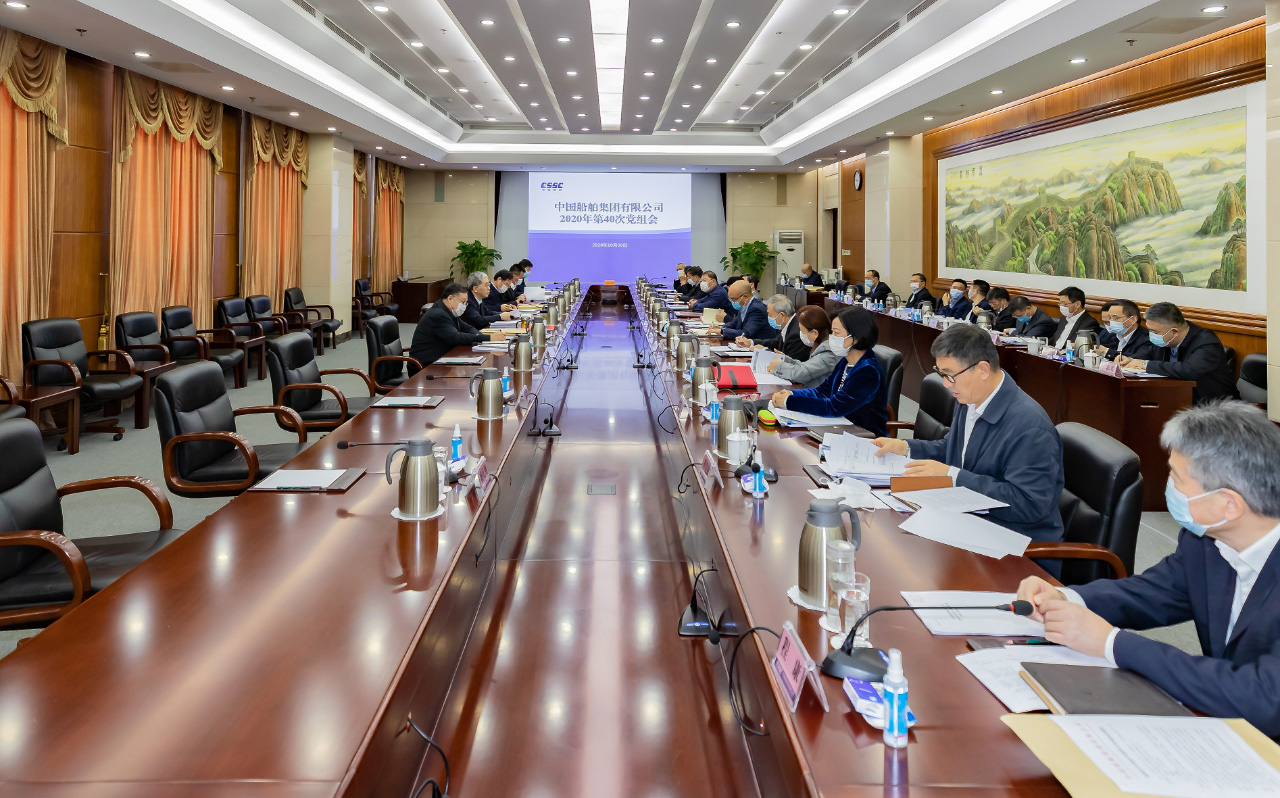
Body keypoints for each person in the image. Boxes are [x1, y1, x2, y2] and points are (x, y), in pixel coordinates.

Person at [1016, 400, 1280, 737]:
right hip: (1226, 721)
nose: (1168, 487)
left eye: (1177, 478)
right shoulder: (1205, 542)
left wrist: (1111, 643)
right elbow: (1152, 593)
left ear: (1229, 504)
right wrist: (1065, 598)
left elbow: (1265, 698)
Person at [872, 324, 1065, 548]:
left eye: (950, 375)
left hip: (1016, 541)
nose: (946, 384)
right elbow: (955, 449)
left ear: (982, 369)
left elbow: (1028, 504)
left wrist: (954, 476)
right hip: (968, 518)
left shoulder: (1030, 428)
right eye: (942, 374)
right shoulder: (970, 399)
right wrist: (906, 448)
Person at [770, 306, 888, 437]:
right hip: (840, 428)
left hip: (865, 437)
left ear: (855, 337)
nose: (832, 337)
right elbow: (822, 391)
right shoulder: (845, 361)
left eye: (836, 333)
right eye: (832, 332)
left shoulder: (868, 370)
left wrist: (789, 401)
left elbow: (834, 407)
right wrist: (792, 393)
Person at [1119, 302, 1238, 402]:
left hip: (1216, 408)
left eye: (1154, 332)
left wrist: (1145, 364)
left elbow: (1188, 370)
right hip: (1178, 400)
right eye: (1149, 330)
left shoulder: (1206, 342)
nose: (1151, 335)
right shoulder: (1166, 339)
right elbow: (1149, 352)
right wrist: (1130, 359)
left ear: (1175, 332)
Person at [410, 282, 492, 367]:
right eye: (462, 302)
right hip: (425, 365)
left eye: (466, 303)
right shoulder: (438, 314)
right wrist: (488, 338)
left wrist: (480, 335)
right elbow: (455, 337)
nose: (464, 306)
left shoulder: (449, 311)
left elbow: (468, 328)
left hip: (440, 359)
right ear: (450, 299)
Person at [764, 306, 839, 389]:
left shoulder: (828, 353)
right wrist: (786, 359)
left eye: (802, 331)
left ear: (814, 333)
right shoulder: (822, 347)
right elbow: (806, 366)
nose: (801, 334)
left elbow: (801, 374)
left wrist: (779, 366)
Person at [737, 295, 809, 361]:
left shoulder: (796, 334)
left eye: (769, 314)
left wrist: (764, 351)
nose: (768, 317)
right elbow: (775, 343)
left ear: (781, 315)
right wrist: (751, 342)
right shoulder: (788, 324)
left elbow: (790, 363)